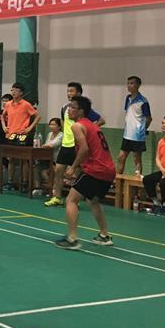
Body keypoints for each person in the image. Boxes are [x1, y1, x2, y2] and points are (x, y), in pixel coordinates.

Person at [54, 96, 115, 250]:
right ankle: (104, 236)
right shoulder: (93, 126)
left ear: (81, 111)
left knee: (71, 200)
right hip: (108, 170)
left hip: (96, 170)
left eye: (72, 107)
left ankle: (72, 239)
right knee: (93, 201)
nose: (69, 110)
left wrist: (72, 168)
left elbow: (84, 149)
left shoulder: (77, 126)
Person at [45, 82, 103, 207]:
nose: (69, 93)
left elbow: (101, 120)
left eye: (71, 91)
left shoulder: (83, 110)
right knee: (58, 171)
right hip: (65, 145)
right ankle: (57, 197)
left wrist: (88, 130)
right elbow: (63, 123)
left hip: (78, 146)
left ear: (79, 93)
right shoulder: (65, 108)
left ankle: (75, 200)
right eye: (68, 91)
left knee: (77, 174)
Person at [2, 82, 41, 190]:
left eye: (16, 90)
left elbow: (37, 116)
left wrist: (30, 128)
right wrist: (4, 126)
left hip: (22, 134)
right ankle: (10, 182)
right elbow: (2, 116)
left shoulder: (26, 104)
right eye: (12, 90)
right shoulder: (8, 104)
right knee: (11, 159)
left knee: (24, 159)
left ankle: (24, 183)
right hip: (10, 134)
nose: (13, 92)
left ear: (21, 93)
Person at [117, 76, 152, 175]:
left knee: (137, 159)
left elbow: (149, 118)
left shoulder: (143, 101)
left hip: (137, 135)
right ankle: (118, 179)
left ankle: (137, 180)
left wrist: (143, 129)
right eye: (128, 83)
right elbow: (128, 113)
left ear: (138, 85)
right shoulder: (127, 98)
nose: (129, 85)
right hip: (127, 134)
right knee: (121, 157)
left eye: (132, 83)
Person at [34, 117, 63, 196]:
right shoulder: (49, 134)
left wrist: (44, 146)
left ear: (59, 126)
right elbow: (46, 145)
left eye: (53, 124)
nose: (51, 126)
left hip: (57, 161)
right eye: (50, 124)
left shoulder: (61, 135)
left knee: (44, 172)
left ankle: (53, 189)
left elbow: (52, 145)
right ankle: (38, 188)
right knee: (37, 167)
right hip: (48, 160)